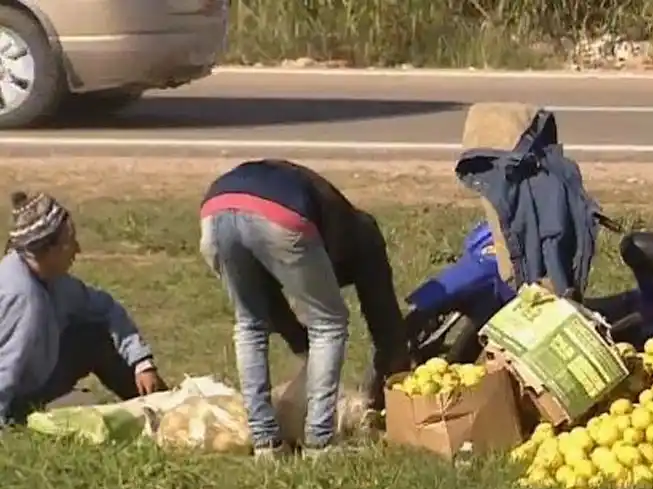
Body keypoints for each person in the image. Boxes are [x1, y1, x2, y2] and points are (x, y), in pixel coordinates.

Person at [199, 159, 411, 458]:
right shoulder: (364, 240)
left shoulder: (337, 218)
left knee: (250, 324)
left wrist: (301, 344)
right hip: (278, 215)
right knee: (330, 324)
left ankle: (265, 443)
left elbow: (270, 304)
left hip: (215, 209)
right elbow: (384, 320)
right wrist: (396, 380)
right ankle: (320, 440)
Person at [0, 191, 167, 428]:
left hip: (40, 372)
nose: (77, 249)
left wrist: (142, 363)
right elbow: (5, 366)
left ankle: (163, 408)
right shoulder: (21, 296)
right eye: (70, 242)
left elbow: (105, 308)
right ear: (49, 250)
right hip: (17, 397)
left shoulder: (54, 280)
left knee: (93, 337)